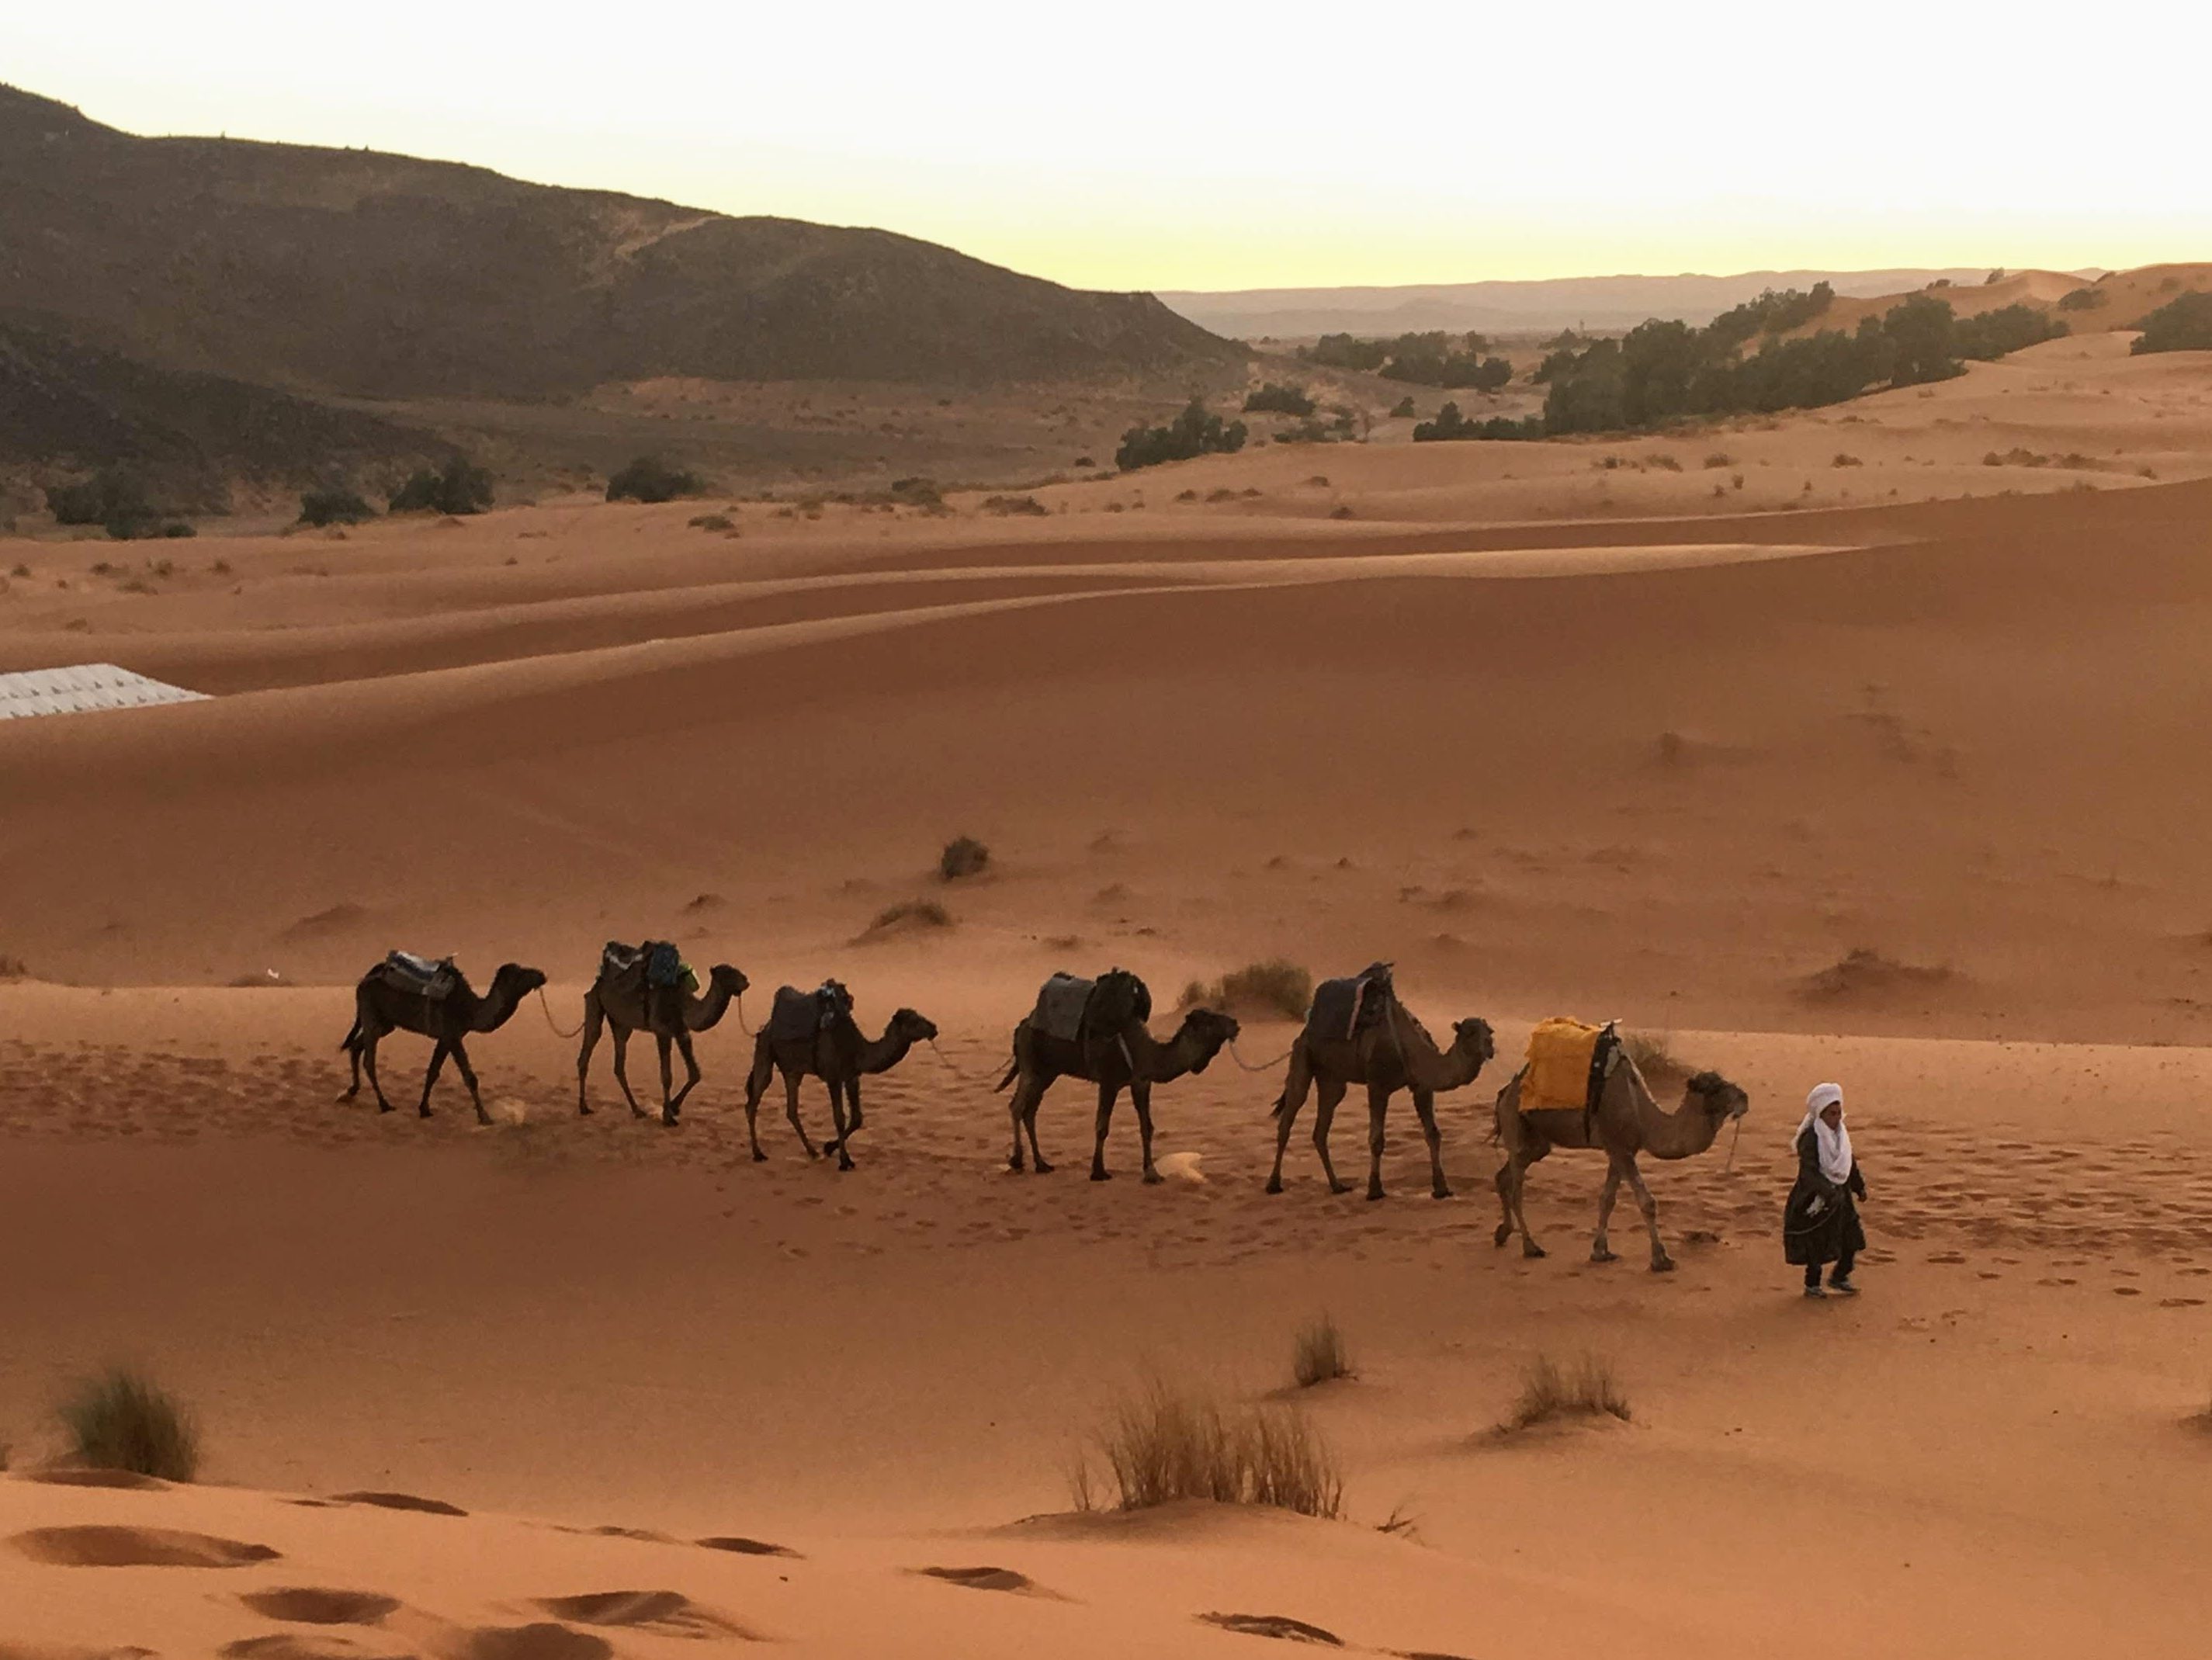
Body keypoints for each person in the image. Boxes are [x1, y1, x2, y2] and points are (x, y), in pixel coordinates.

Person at [1784, 1082, 1866, 1298]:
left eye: (1839, 1113)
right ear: (1821, 1113)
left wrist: (1858, 1186)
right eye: (1832, 1113)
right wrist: (1826, 1193)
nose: (1837, 1117)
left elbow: (1848, 1162)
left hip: (1841, 1196)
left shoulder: (1841, 1135)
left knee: (1852, 1237)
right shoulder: (1810, 1138)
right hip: (1815, 1199)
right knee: (1816, 1243)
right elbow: (1808, 1173)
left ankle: (1840, 1277)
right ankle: (1812, 1285)